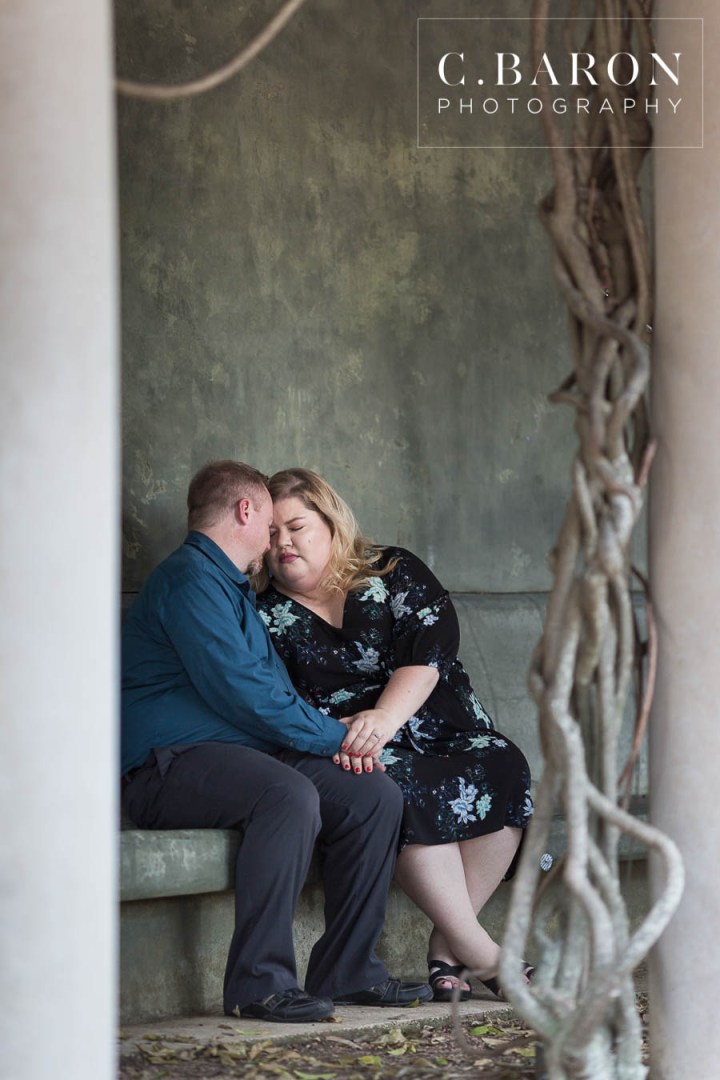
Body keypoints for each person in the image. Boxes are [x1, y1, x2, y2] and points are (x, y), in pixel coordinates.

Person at [121, 460, 432, 1022]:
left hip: (233, 759)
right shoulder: (189, 580)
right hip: (162, 768)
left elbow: (268, 695)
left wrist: (341, 750)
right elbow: (247, 696)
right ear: (247, 511)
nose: (274, 537)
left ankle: (349, 971)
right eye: (270, 520)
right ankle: (258, 985)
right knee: (286, 794)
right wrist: (340, 737)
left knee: (371, 796)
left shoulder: (230, 588)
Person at [254, 468, 534, 1002]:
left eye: (296, 525)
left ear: (331, 523)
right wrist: (338, 732)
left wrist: (385, 717)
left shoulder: (392, 569)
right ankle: (485, 957)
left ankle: (450, 945)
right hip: (358, 748)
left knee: (503, 766)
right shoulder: (263, 613)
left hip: (439, 724)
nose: (283, 542)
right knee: (394, 788)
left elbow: (430, 650)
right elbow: (271, 698)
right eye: (271, 534)